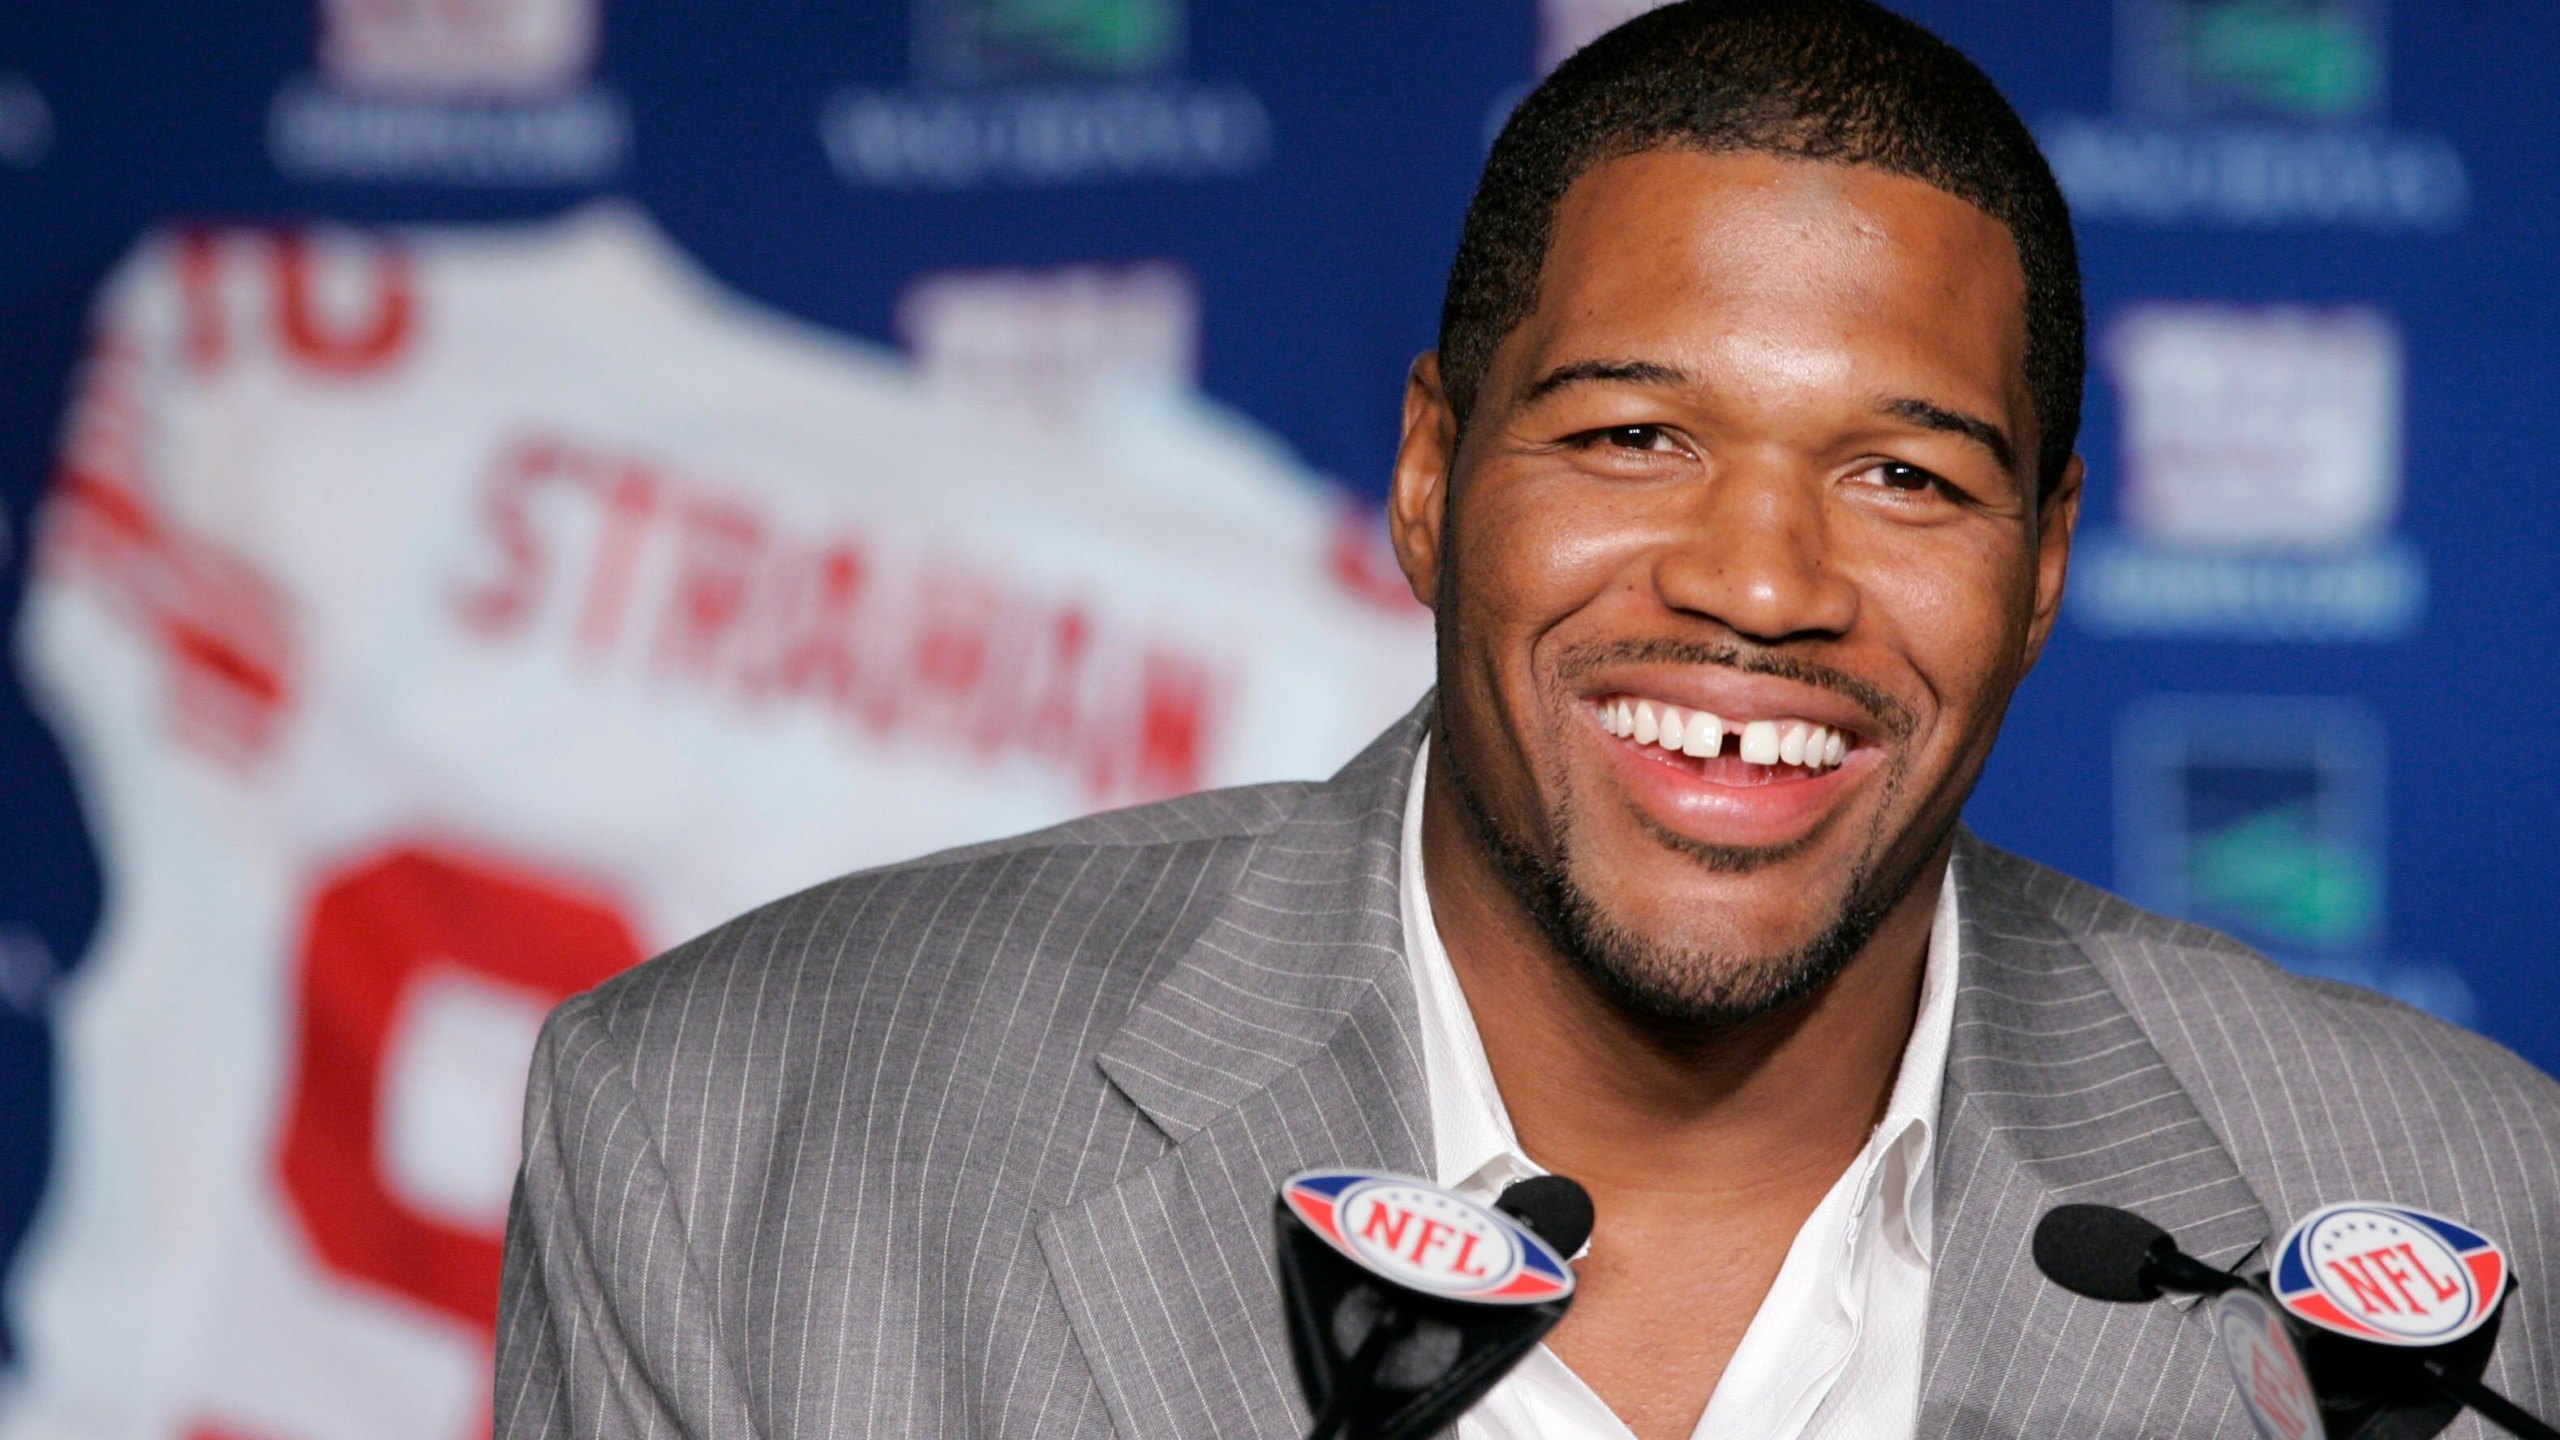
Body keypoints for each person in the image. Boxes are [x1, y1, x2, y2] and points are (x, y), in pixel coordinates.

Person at [494, 3, 2560, 1437]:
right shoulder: (733, 1140)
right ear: (1425, 474)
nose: (1759, 585)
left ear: (2037, 566)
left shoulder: (2468, 1215)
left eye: (1904, 476)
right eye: (1634, 432)